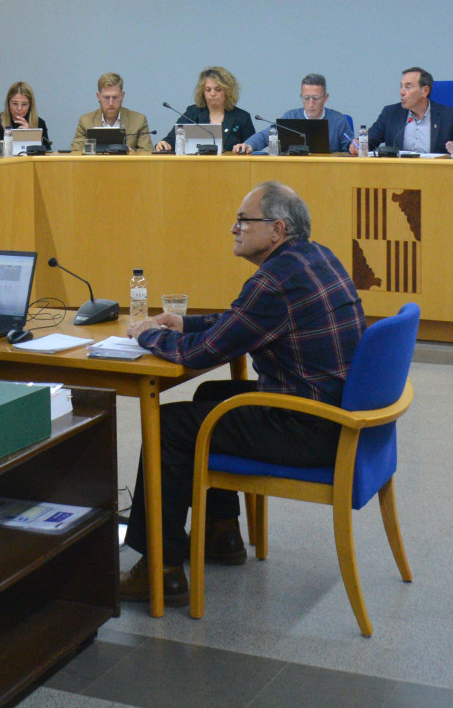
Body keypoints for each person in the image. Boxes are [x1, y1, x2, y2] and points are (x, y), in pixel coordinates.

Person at [120, 181, 365, 605]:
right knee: (211, 394)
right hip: (332, 414)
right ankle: (221, 534)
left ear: (277, 229)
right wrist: (185, 323)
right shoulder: (315, 256)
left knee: (165, 426)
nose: (234, 229)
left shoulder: (274, 281)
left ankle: (160, 570)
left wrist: (146, 335)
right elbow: (241, 321)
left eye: (243, 221)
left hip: (308, 429)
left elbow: (201, 353)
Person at [353, 67, 453, 155]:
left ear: (425, 91)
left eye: (408, 87)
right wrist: (357, 145)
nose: (401, 92)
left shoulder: (450, 116)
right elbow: (369, 141)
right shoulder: (390, 113)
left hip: (437, 176)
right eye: (401, 86)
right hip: (399, 175)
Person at [234, 73, 355, 154]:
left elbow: (350, 145)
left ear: (326, 97)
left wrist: (354, 147)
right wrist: (248, 145)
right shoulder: (290, 117)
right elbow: (266, 135)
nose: (311, 103)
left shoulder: (339, 120)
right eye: (306, 98)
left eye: (315, 98)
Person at [155, 66, 256, 154]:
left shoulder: (242, 117)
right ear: (202, 92)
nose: (212, 94)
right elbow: (173, 138)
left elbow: (252, 147)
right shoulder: (192, 113)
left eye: (218, 89)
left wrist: (245, 148)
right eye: (208, 90)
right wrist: (165, 144)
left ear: (228, 92)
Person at [71, 72, 153, 153]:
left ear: (122, 96)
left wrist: (132, 154)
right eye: (106, 97)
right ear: (98, 97)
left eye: (115, 97)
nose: (111, 103)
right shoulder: (85, 121)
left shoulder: (139, 121)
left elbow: (147, 153)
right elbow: (75, 152)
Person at [0, 81, 51, 151]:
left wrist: (30, 135)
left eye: (24, 104)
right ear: (8, 104)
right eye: (15, 104)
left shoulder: (39, 123)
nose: (19, 108)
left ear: (30, 105)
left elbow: (47, 152)